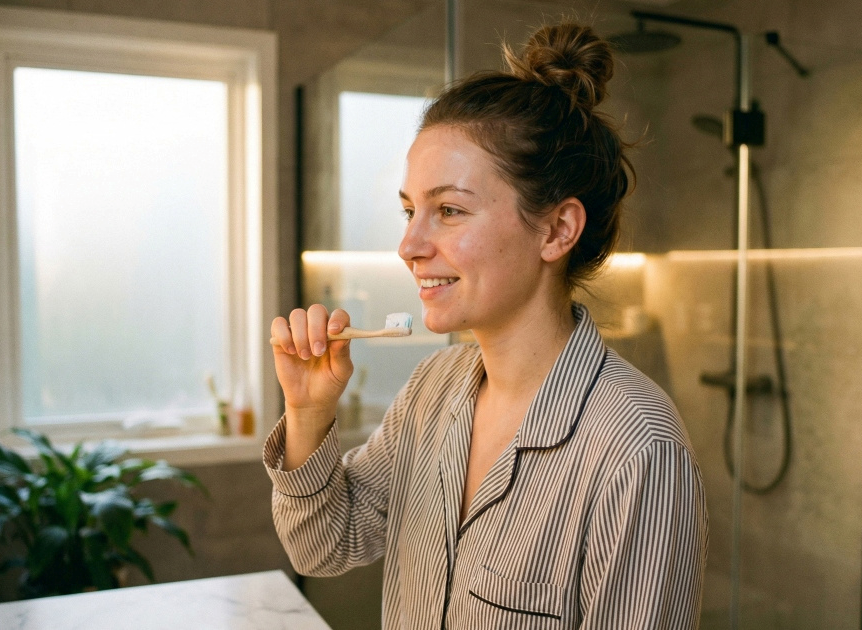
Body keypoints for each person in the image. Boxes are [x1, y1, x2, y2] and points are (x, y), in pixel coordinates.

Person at [265, 21, 707, 629]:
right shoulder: (433, 391)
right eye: (409, 210)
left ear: (556, 230)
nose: (408, 245)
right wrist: (308, 413)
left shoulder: (636, 451)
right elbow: (323, 546)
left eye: (448, 211)